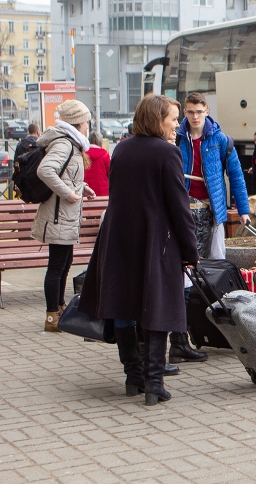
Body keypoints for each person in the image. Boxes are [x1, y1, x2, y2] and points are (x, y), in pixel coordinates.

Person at [78, 94, 199, 406]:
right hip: (154, 241)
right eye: (173, 119)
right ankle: (154, 383)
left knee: (123, 305)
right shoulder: (167, 152)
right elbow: (179, 207)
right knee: (157, 306)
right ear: (157, 119)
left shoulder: (122, 148)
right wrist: (191, 251)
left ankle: (133, 375)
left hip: (117, 239)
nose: (177, 125)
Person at [173, 92, 250, 362]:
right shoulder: (175, 137)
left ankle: (220, 328)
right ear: (185, 112)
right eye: (190, 111)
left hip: (210, 211)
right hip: (181, 211)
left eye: (199, 111)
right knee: (183, 269)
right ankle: (180, 337)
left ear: (207, 111)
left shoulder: (220, 140)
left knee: (213, 266)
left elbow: (237, 176)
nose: (195, 116)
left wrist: (243, 211)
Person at [32, 100, 96, 331]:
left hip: (65, 214)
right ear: (78, 123)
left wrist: (82, 186)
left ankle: (59, 308)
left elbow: (66, 172)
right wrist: (68, 192)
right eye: (86, 121)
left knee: (64, 263)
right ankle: (52, 316)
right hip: (58, 215)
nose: (88, 125)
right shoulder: (64, 144)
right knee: (57, 266)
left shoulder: (71, 142)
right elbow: (45, 170)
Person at [83, 131, 111, 197]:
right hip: (102, 191)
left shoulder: (83, 154)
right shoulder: (105, 155)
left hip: (86, 190)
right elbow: (110, 173)